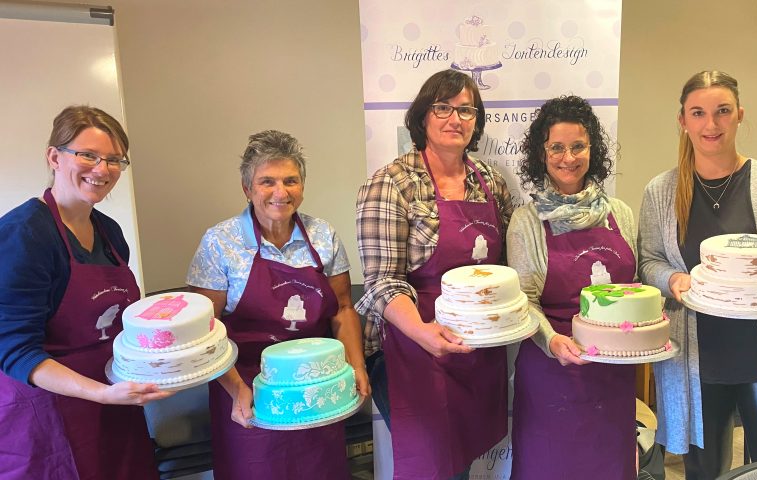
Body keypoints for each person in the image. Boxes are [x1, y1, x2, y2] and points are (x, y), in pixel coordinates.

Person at [638, 70, 757, 479]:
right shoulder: (661, 191)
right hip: (696, 358)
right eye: (698, 113)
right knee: (703, 472)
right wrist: (673, 280)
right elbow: (648, 261)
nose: (711, 124)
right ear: (682, 121)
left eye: (722, 111)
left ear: (739, 115)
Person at [356, 69, 514, 480]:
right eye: (442, 108)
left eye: (466, 110)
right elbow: (381, 282)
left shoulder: (492, 183)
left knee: (461, 461)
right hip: (410, 347)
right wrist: (425, 333)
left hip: (478, 347)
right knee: (434, 466)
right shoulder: (390, 184)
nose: (454, 119)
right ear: (422, 117)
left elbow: (508, 264)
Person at [0, 106, 172, 479]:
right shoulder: (25, 234)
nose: (102, 169)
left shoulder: (109, 231)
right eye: (88, 155)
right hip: (46, 419)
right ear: (54, 157)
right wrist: (100, 393)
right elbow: (14, 350)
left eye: (113, 160)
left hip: (113, 406)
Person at [187, 129, 369, 480]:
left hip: (317, 387)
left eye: (291, 181)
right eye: (266, 181)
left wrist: (355, 366)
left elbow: (343, 309)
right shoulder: (220, 242)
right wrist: (237, 388)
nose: (280, 192)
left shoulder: (323, 236)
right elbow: (204, 332)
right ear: (247, 189)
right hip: (247, 387)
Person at [506, 95, 637, 479]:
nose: (568, 157)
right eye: (557, 148)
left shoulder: (620, 214)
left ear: (592, 150)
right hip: (551, 370)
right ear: (541, 154)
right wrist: (551, 340)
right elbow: (524, 301)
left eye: (578, 146)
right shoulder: (526, 222)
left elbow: (634, 288)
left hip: (612, 371)